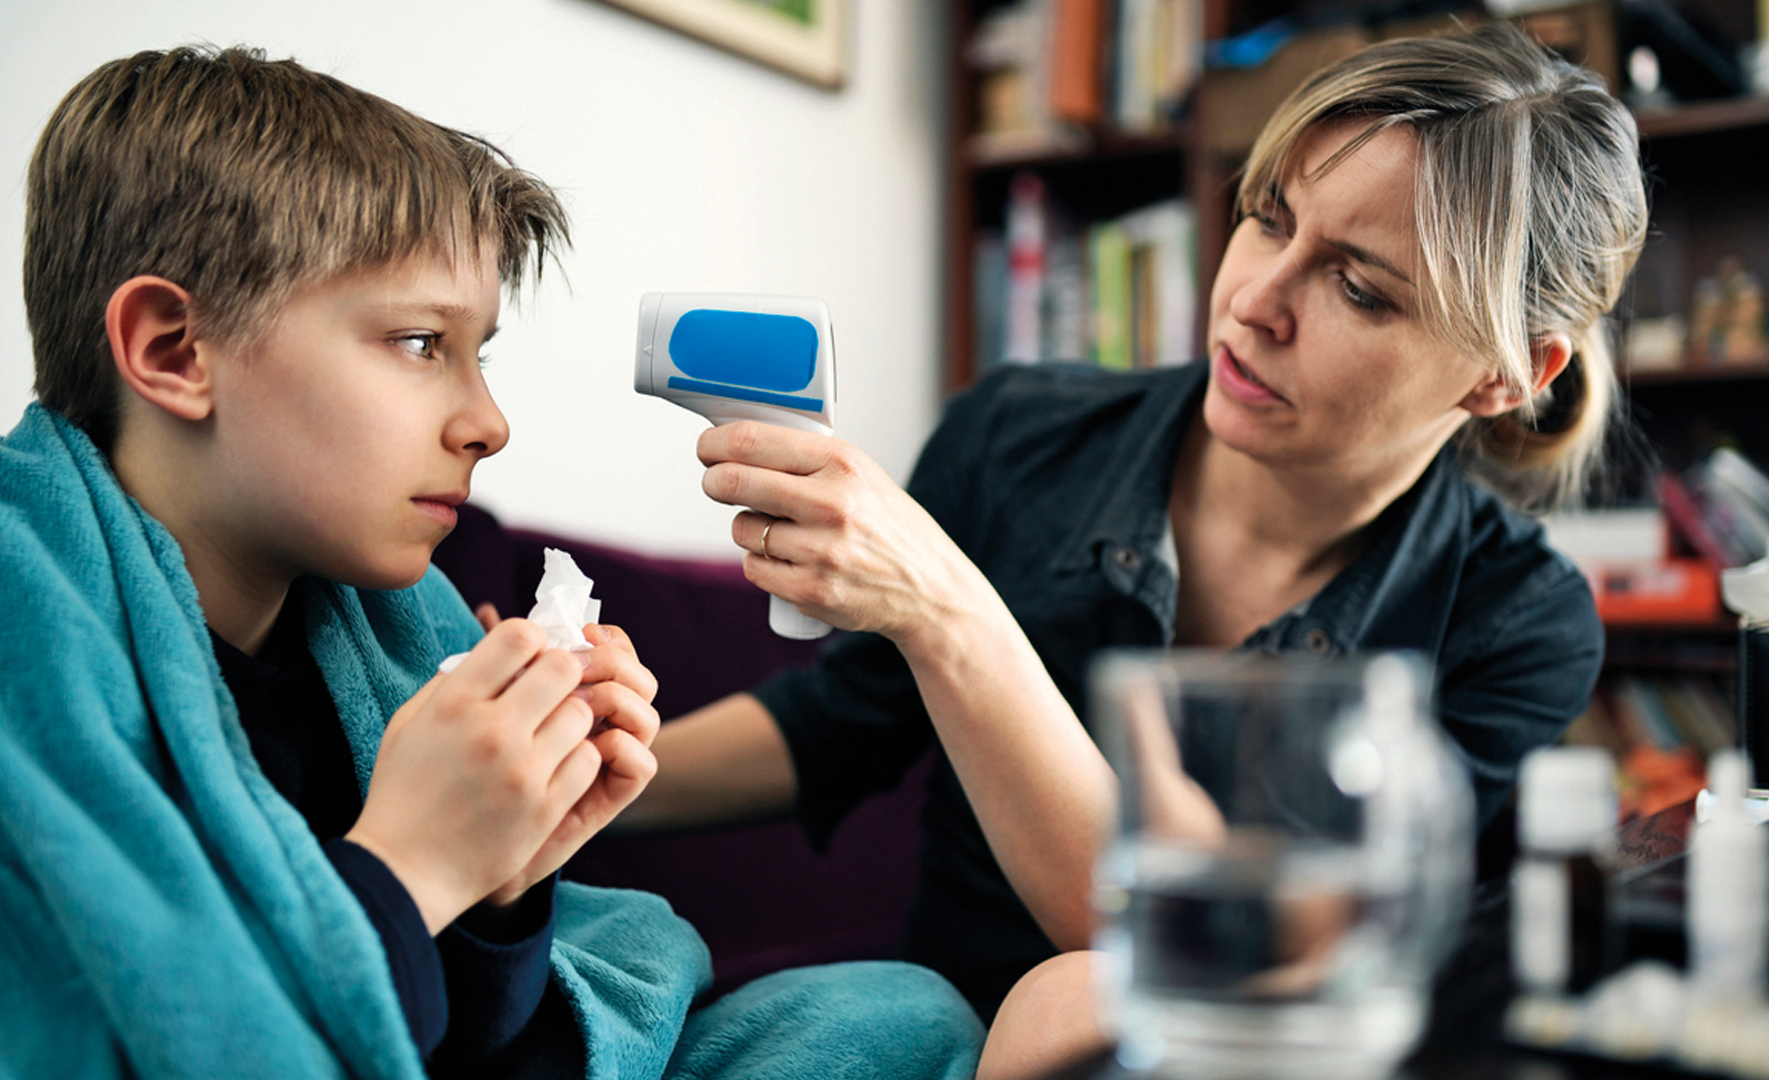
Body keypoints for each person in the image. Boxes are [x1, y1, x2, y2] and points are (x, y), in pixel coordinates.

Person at [624, 20, 1649, 1077]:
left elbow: (1189, 946)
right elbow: (839, 722)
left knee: (1079, 999)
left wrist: (947, 609)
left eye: (1358, 288)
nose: (1254, 301)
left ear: (1505, 372)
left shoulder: (1517, 620)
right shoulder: (1018, 433)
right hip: (936, 1036)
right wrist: (569, 767)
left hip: (1228, 1049)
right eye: (1267, 218)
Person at [0, 45, 982, 1079]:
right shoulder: (32, 628)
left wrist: (513, 868)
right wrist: (415, 863)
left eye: (484, 354)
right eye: (423, 343)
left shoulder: (399, 626)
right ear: (172, 350)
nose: (489, 423)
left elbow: (469, 1042)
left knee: (898, 1020)